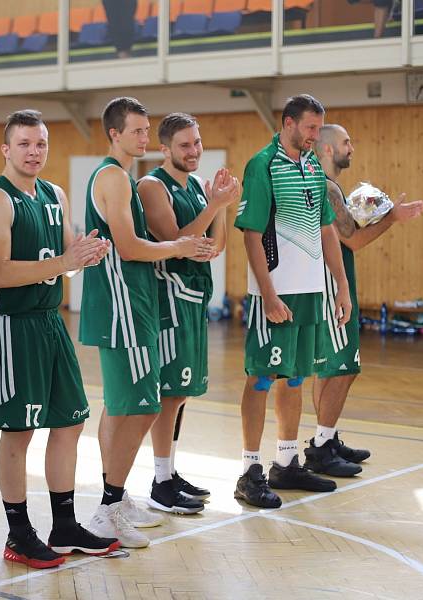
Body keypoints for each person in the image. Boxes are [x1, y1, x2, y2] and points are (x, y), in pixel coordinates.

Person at [0, 110, 117, 569]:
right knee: (18, 432)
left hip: (50, 322)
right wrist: (64, 262)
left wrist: (85, 256)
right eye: (24, 144)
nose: (34, 152)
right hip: (11, 326)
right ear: (6, 149)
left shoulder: (55, 194)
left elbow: (66, 258)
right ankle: (18, 533)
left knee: (71, 422)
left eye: (41, 144)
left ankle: (64, 524)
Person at [80, 97, 212, 546]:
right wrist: (177, 248)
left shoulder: (121, 175)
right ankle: (107, 509)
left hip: (132, 304)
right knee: (143, 405)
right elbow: (131, 247)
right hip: (123, 306)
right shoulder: (114, 176)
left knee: (122, 407)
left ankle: (113, 501)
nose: (143, 138)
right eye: (136, 131)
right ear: (114, 134)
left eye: (145, 130)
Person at [233, 94, 353, 509]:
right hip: (276, 293)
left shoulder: (313, 167)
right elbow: (250, 234)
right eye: (310, 128)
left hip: (311, 293)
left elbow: (327, 232)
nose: (316, 137)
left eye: (319, 129)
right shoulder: (262, 165)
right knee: (262, 376)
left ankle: (285, 463)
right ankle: (250, 471)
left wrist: (341, 286)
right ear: (288, 123)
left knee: (296, 376)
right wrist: (267, 294)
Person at [305, 124, 423, 474]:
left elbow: (348, 234)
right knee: (342, 367)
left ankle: (326, 438)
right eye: (346, 142)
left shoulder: (328, 186)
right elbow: (353, 242)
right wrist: (393, 218)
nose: (351, 148)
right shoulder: (325, 188)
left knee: (331, 368)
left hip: (331, 281)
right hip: (330, 284)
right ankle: (322, 447)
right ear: (327, 149)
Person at [138, 113, 240, 513]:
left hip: (196, 298)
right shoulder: (151, 185)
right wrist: (215, 204)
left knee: (181, 395)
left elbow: (215, 246)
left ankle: (169, 471)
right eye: (185, 144)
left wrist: (223, 207)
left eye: (197, 142)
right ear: (164, 149)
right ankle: (161, 482)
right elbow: (174, 239)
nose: (194, 150)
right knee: (169, 393)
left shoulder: (197, 186)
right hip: (168, 299)